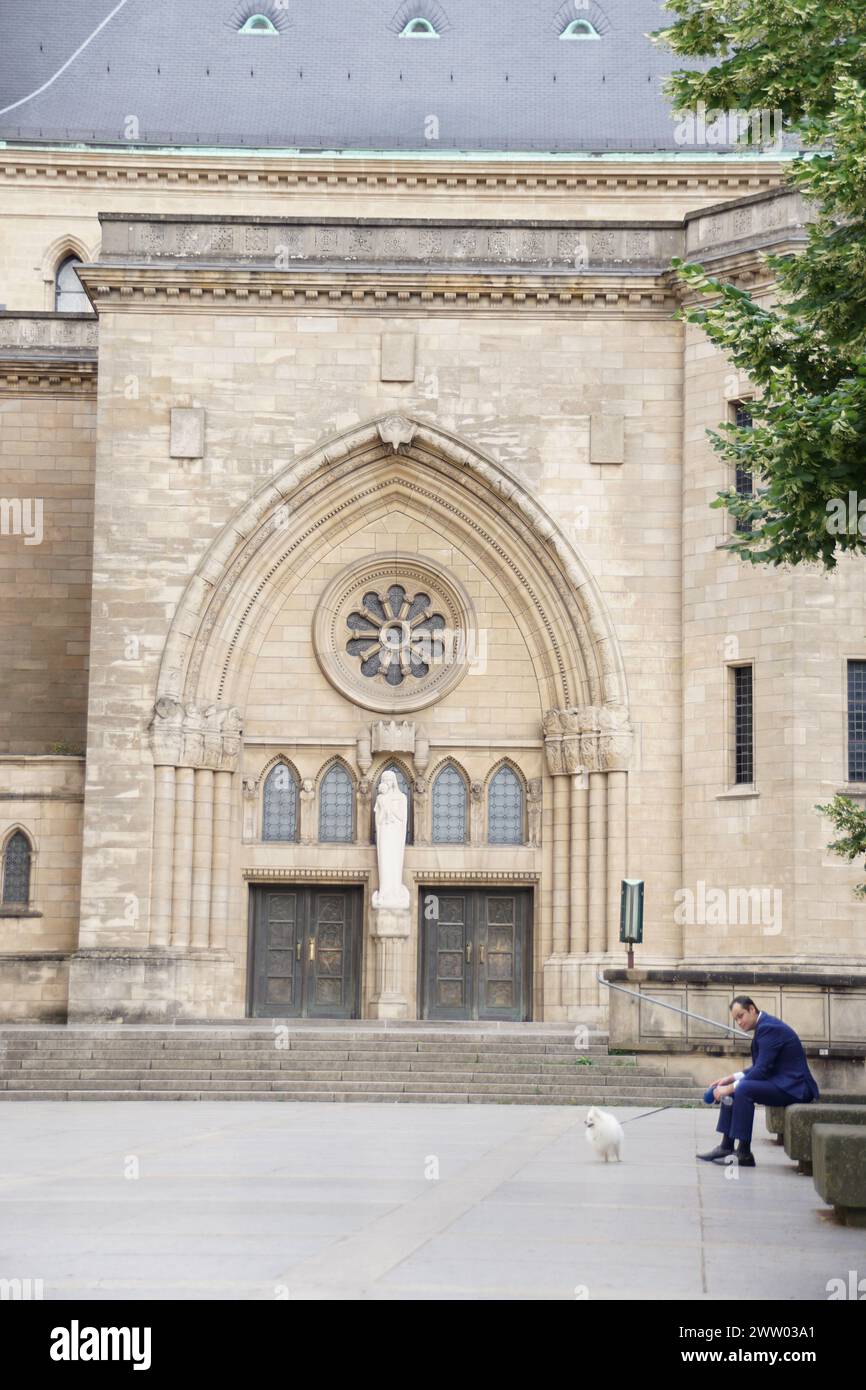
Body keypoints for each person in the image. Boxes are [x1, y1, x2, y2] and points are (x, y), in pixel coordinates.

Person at [697, 996, 819, 1167]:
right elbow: (761, 1066)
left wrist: (730, 1088)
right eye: (735, 1019)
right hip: (781, 1082)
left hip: (796, 1088)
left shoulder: (769, 1028)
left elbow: (761, 1070)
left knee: (743, 1089)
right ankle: (727, 1146)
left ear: (752, 1010)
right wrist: (730, 1079)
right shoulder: (764, 1026)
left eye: (741, 1016)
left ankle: (744, 1153)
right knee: (736, 1087)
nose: (739, 1022)